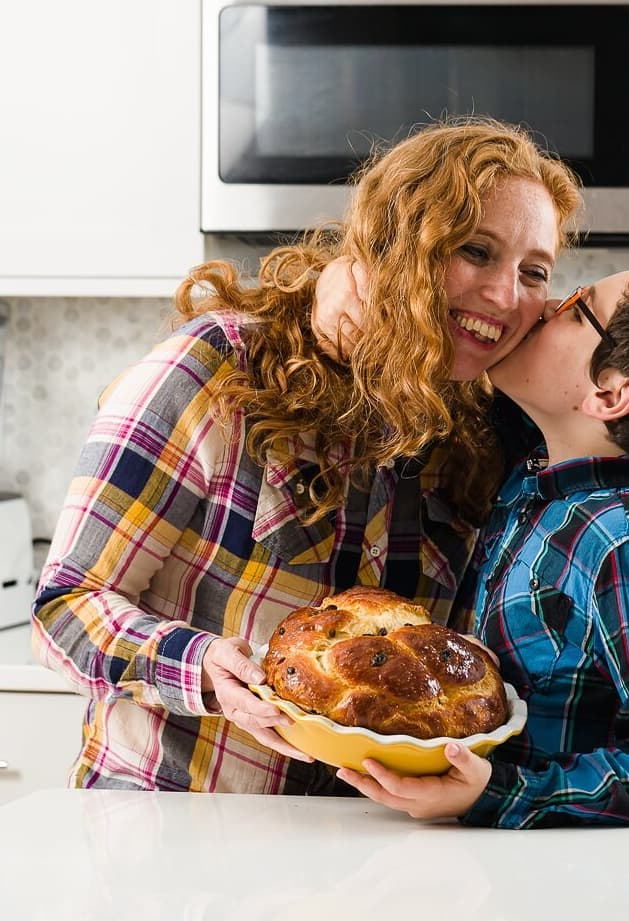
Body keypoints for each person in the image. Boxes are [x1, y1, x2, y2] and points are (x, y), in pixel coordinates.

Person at [30, 117, 582, 794]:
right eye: (474, 250)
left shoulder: (485, 423)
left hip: (367, 854)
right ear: (395, 245)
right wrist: (201, 666)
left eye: (533, 272)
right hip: (172, 826)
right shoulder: (216, 369)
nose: (505, 296)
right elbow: (64, 608)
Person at [335, 254, 629, 827]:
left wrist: (495, 793)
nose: (545, 307)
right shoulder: (547, 474)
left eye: (575, 310)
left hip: (570, 882)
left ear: (611, 395)